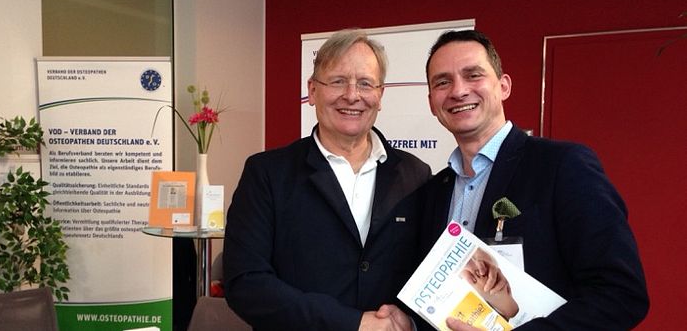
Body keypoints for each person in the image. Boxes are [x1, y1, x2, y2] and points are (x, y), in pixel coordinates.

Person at [418, 29, 649, 330]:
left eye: (473, 75)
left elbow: (621, 295)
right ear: (432, 102)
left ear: (503, 86)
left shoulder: (563, 166)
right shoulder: (433, 192)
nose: (459, 91)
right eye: (443, 82)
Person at [224, 28, 433, 331]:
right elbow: (246, 283)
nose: (352, 95)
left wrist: (410, 319)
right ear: (312, 90)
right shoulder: (267, 174)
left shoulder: (415, 175)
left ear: (380, 94)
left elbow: (427, 271)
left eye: (365, 83)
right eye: (337, 81)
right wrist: (351, 323)